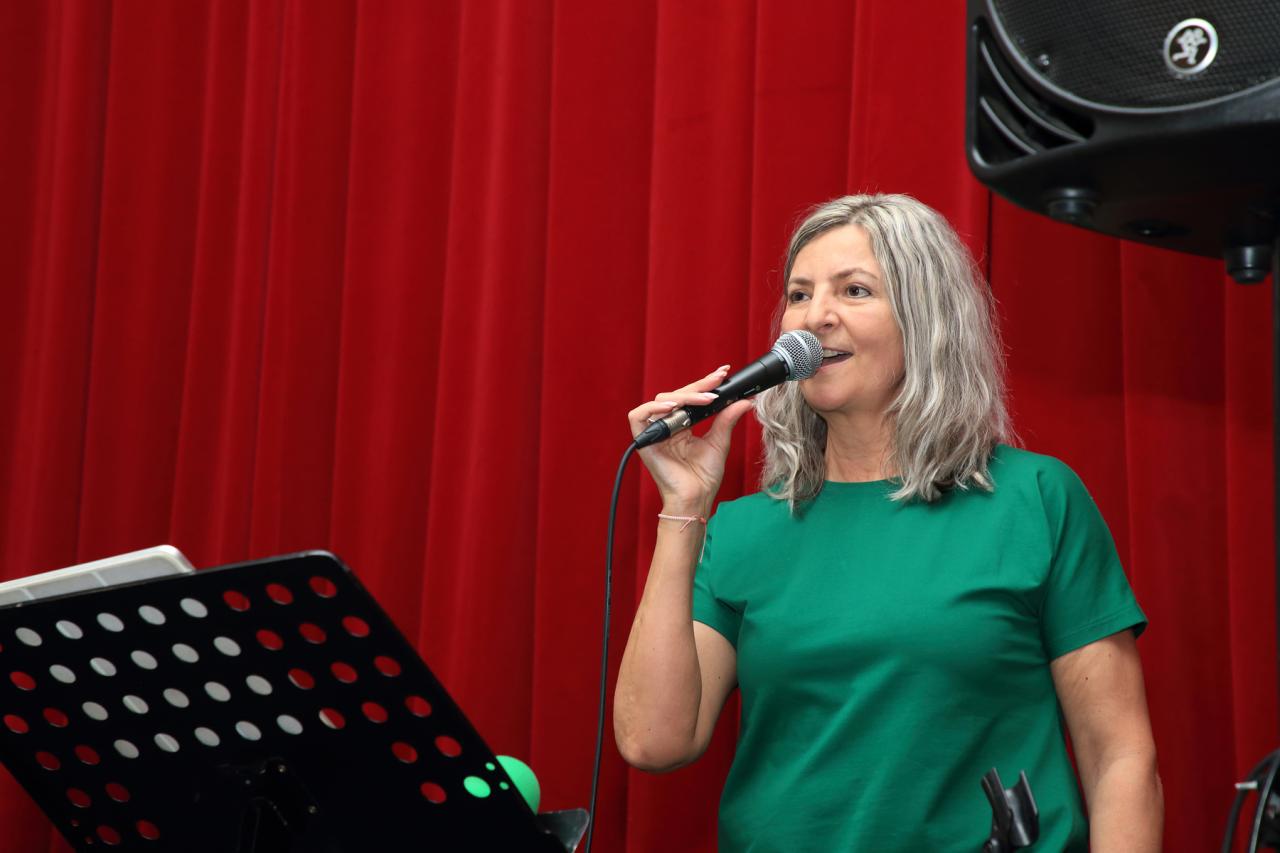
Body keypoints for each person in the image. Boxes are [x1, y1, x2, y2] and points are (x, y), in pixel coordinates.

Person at [613, 194, 1162, 851]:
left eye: (855, 290)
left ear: (926, 320)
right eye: (799, 294)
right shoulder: (742, 530)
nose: (815, 316)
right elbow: (654, 740)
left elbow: (1120, 757)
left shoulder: (1034, 498)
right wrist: (684, 507)